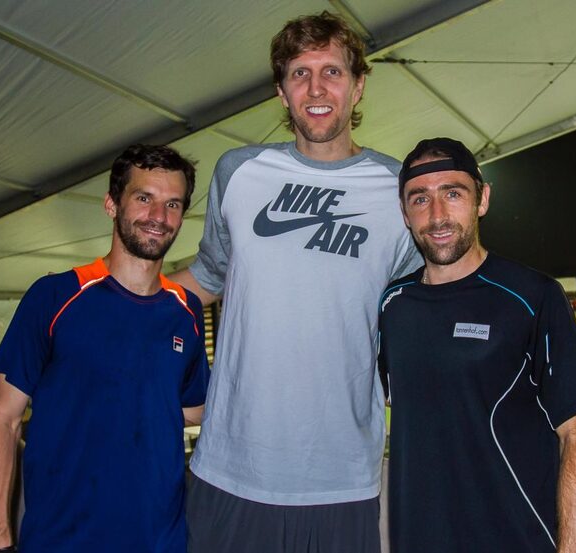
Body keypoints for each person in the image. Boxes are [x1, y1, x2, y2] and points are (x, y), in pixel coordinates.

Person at [169, 11, 421, 553]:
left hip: (339, 476)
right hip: (231, 467)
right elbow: (205, 277)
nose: (316, 88)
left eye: (331, 71)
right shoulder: (239, 172)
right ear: (282, 93)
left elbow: (424, 306)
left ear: (358, 86)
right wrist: (111, 298)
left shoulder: (396, 191)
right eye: (299, 74)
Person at [0, 144, 210, 553]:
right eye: (144, 198)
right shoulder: (55, 297)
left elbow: (192, 407)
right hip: (63, 539)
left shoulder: (185, 311)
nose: (159, 217)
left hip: (161, 540)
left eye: (172, 204)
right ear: (110, 204)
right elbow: (2, 421)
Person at [378, 138, 576, 553]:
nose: (438, 215)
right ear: (405, 213)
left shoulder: (534, 297)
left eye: (453, 193)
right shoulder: (392, 304)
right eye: (420, 199)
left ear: (483, 199)